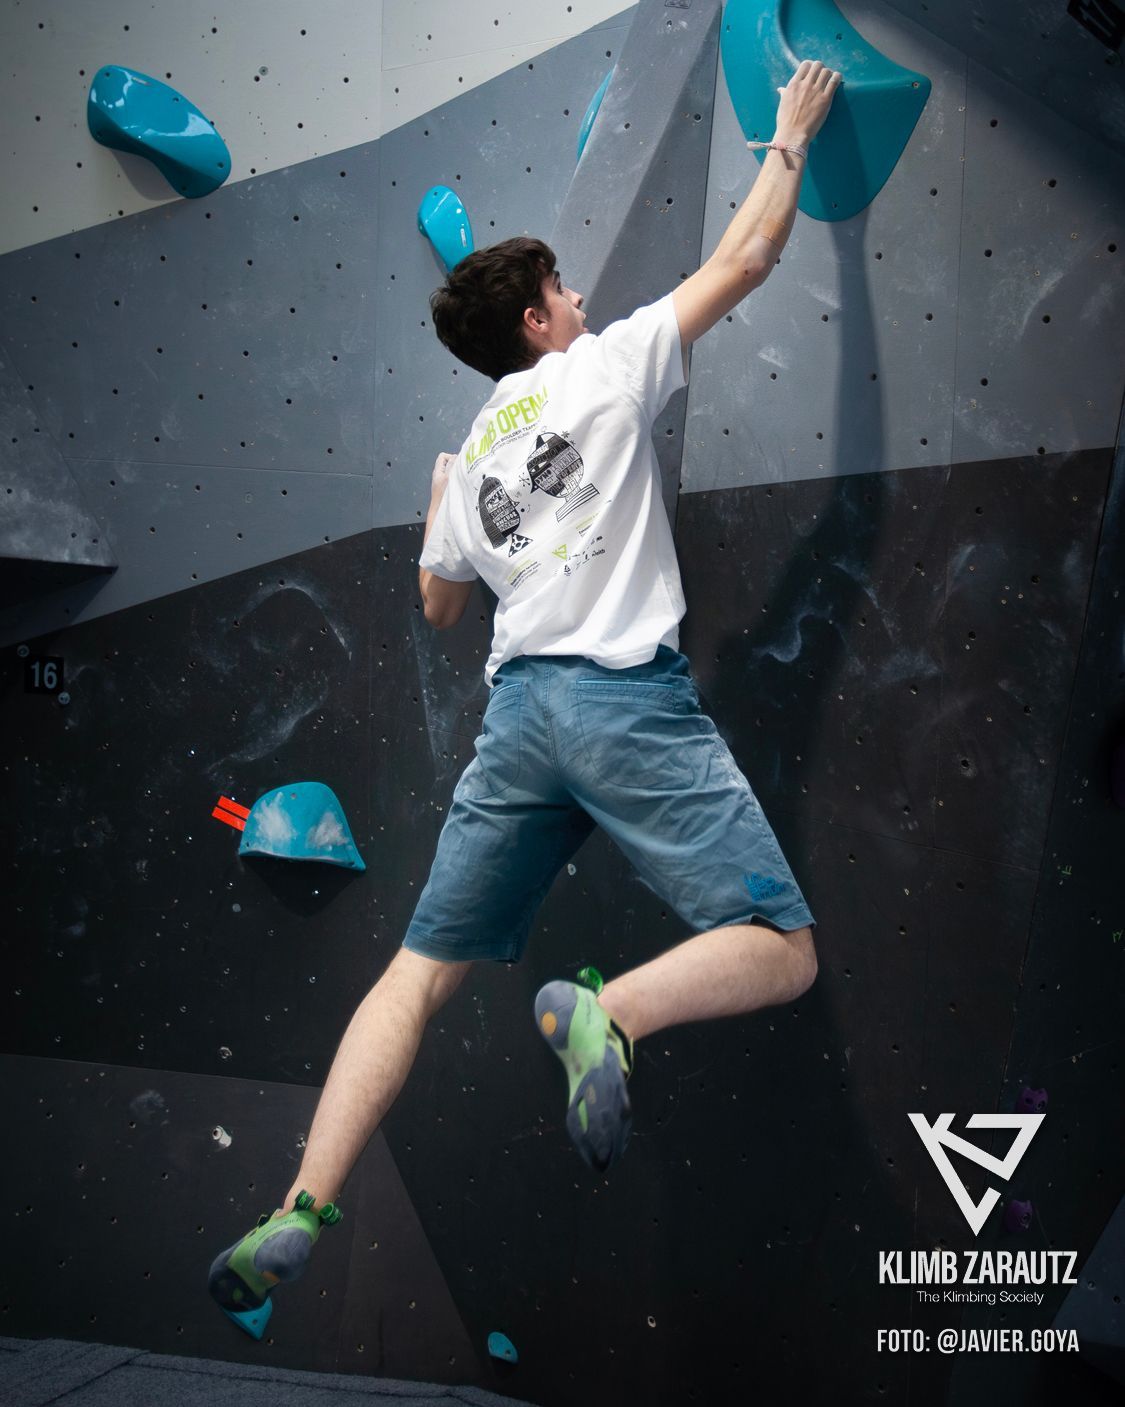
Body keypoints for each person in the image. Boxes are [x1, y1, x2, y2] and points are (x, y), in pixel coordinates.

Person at [209, 58, 842, 1337]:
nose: (580, 298)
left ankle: (300, 1208)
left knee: (413, 977)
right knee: (785, 951)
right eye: (565, 288)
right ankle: (611, 1012)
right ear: (543, 319)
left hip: (518, 724)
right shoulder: (603, 366)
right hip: (623, 702)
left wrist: (441, 503)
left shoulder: (475, 451)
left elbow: (441, 606)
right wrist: (786, 138)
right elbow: (748, 259)